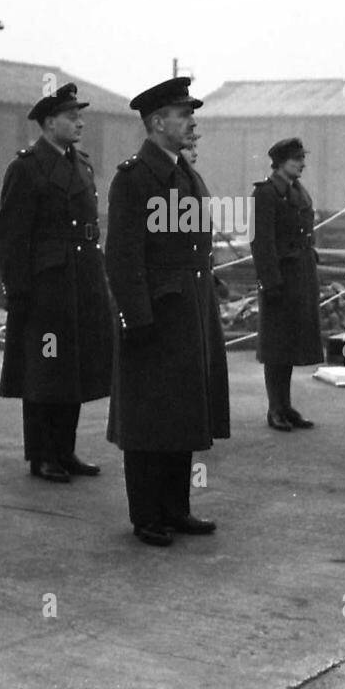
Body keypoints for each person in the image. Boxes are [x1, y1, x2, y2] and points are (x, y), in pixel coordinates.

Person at [105, 76, 230, 547]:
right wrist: (135, 318)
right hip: (154, 316)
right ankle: (147, 516)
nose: (192, 121)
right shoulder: (135, 178)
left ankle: (177, 508)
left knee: (181, 413)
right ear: (158, 122)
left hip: (189, 314)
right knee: (147, 418)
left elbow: (199, 247)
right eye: (183, 114)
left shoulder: (186, 175)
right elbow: (121, 256)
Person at [0, 83, 115, 482]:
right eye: (70, 116)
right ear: (48, 123)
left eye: (79, 115)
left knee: (73, 367)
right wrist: (18, 291)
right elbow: (11, 236)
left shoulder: (81, 163)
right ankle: (42, 455)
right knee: (44, 370)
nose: (79, 122)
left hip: (81, 280)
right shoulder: (26, 167)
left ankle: (65, 449)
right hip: (46, 285)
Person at [251, 137, 322, 430]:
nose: (302, 164)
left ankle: (286, 405)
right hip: (280, 278)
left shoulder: (296, 191)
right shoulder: (266, 194)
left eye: (302, 158)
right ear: (280, 163)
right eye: (296, 159)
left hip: (301, 275)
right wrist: (271, 282)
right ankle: (274, 408)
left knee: (291, 342)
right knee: (276, 346)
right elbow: (261, 242)